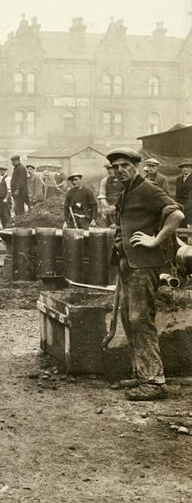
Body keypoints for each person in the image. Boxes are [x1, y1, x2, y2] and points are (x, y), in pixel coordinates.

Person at [109, 148, 184, 402]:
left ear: (136, 166)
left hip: (144, 266)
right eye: (115, 167)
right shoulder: (126, 191)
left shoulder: (148, 188)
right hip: (128, 263)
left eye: (124, 165)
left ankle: (154, 381)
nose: (119, 170)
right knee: (130, 321)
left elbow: (176, 214)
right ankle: (141, 375)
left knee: (141, 320)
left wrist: (155, 240)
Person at [175, 157, 192, 224]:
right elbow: (177, 193)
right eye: (183, 168)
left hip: (190, 205)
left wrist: (187, 205)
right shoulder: (179, 179)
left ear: (191, 168)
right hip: (180, 204)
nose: (184, 169)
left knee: (189, 223)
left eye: (187, 167)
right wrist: (176, 203)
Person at [0, 165, 12, 229]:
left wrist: (6, 198)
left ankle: (8, 228)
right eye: (0, 170)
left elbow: (9, 190)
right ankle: (4, 228)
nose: (1, 171)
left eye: (2, 170)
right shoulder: (0, 178)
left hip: (5, 199)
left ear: (5, 171)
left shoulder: (8, 178)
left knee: (6, 215)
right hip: (0, 199)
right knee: (1, 215)